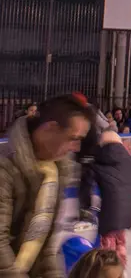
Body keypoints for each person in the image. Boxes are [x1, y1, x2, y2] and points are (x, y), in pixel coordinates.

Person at [0, 94, 92, 277]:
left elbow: (46, 245)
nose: (76, 148)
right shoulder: (4, 167)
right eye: (73, 138)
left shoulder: (54, 172)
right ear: (50, 129)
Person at [94, 130, 131, 266]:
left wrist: (86, 205)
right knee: (120, 240)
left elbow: (87, 183)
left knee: (107, 246)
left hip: (108, 211)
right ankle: (121, 268)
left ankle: (109, 271)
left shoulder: (99, 161)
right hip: (126, 211)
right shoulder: (130, 159)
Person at [74, 99, 111, 227]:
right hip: (88, 158)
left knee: (87, 185)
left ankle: (87, 211)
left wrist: (87, 156)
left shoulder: (89, 126)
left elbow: (106, 127)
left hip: (90, 159)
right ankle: (85, 210)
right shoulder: (88, 126)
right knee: (86, 185)